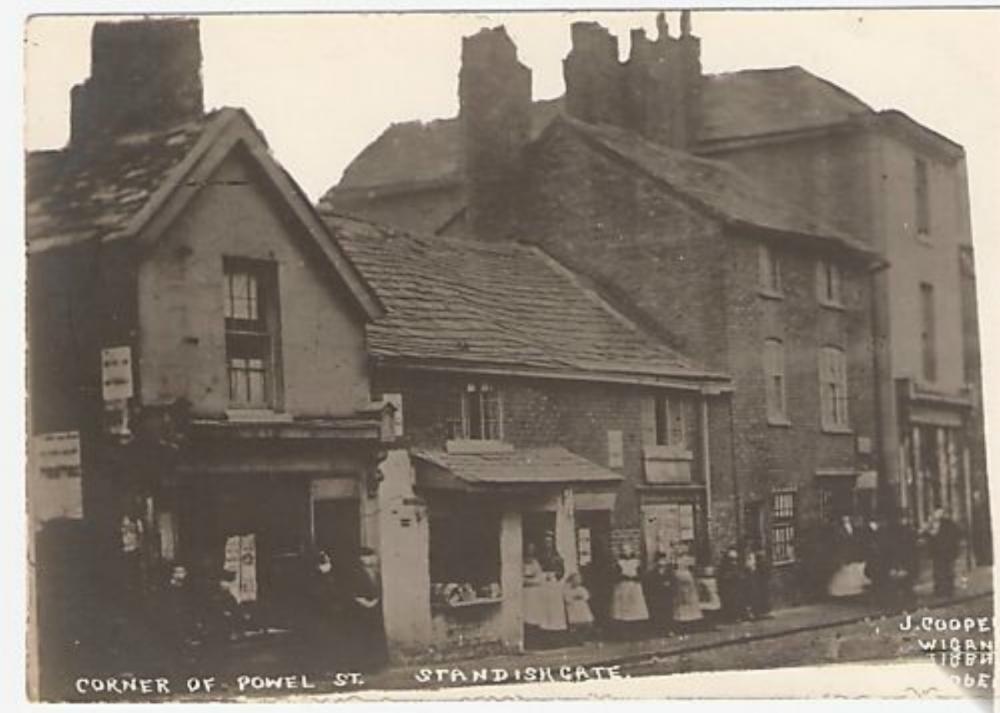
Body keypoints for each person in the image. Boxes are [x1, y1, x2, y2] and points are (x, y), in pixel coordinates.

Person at [609, 542, 649, 639]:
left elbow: (642, 575)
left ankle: (637, 632)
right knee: (623, 610)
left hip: (634, 587)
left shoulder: (636, 562)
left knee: (636, 608)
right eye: (623, 550)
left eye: (628, 550)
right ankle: (624, 633)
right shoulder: (619, 563)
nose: (626, 552)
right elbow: (614, 576)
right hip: (623, 588)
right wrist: (623, 577)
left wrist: (636, 577)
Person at [536, 533, 569, 647]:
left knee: (556, 610)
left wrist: (555, 575)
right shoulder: (540, 557)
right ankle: (546, 636)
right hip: (544, 585)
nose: (548, 544)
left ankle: (558, 636)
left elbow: (562, 572)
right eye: (546, 542)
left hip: (554, 585)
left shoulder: (558, 558)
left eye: (550, 542)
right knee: (545, 611)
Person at [828, 515, 867, 598]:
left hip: (852, 552)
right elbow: (837, 541)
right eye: (844, 517)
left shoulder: (855, 526)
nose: (846, 518)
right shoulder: (837, 528)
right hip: (843, 552)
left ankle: (853, 589)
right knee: (845, 570)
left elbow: (856, 538)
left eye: (847, 516)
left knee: (853, 569)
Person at [926, 508, 963, 597]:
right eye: (936, 513)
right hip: (937, 553)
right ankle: (939, 591)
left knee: (948, 572)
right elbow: (929, 537)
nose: (938, 515)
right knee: (938, 572)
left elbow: (955, 535)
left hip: (947, 552)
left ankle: (948, 591)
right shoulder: (931, 524)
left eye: (940, 513)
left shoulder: (948, 523)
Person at [642, 551, 674, 635]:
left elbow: (673, 582)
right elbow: (650, 584)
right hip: (658, 595)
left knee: (668, 612)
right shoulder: (652, 573)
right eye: (660, 560)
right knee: (658, 612)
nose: (662, 562)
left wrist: (669, 585)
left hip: (667, 595)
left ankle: (668, 629)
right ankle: (658, 630)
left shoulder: (669, 572)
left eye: (664, 559)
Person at [671, 550, 704, 632]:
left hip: (688, 581)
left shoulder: (690, 559)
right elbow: (673, 568)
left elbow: (693, 570)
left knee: (690, 600)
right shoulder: (674, 559)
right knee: (680, 601)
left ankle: (692, 623)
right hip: (679, 581)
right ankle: (681, 623)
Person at [522, 542, 546, 648]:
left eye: (532, 549)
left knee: (535, 615)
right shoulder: (521, 563)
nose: (530, 552)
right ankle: (528, 640)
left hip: (535, 592)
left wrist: (532, 580)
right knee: (526, 615)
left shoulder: (536, 563)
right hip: (525, 593)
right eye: (528, 549)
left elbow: (540, 578)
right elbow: (519, 579)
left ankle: (536, 641)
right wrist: (527, 580)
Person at [563, 572, 595, 643]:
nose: (577, 581)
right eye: (575, 579)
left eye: (579, 579)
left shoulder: (582, 589)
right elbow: (567, 599)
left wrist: (579, 597)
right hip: (573, 608)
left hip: (582, 608)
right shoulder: (567, 589)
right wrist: (576, 597)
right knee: (575, 626)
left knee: (588, 624)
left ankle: (582, 639)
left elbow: (586, 597)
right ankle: (576, 640)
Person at [717, 547, 746, 622]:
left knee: (737, 599)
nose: (733, 562)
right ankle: (731, 616)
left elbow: (739, 574)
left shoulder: (736, 566)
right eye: (731, 560)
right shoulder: (724, 566)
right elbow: (722, 576)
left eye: (735, 560)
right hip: (728, 586)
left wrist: (739, 576)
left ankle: (737, 615)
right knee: (730, 600)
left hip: (736, 585)